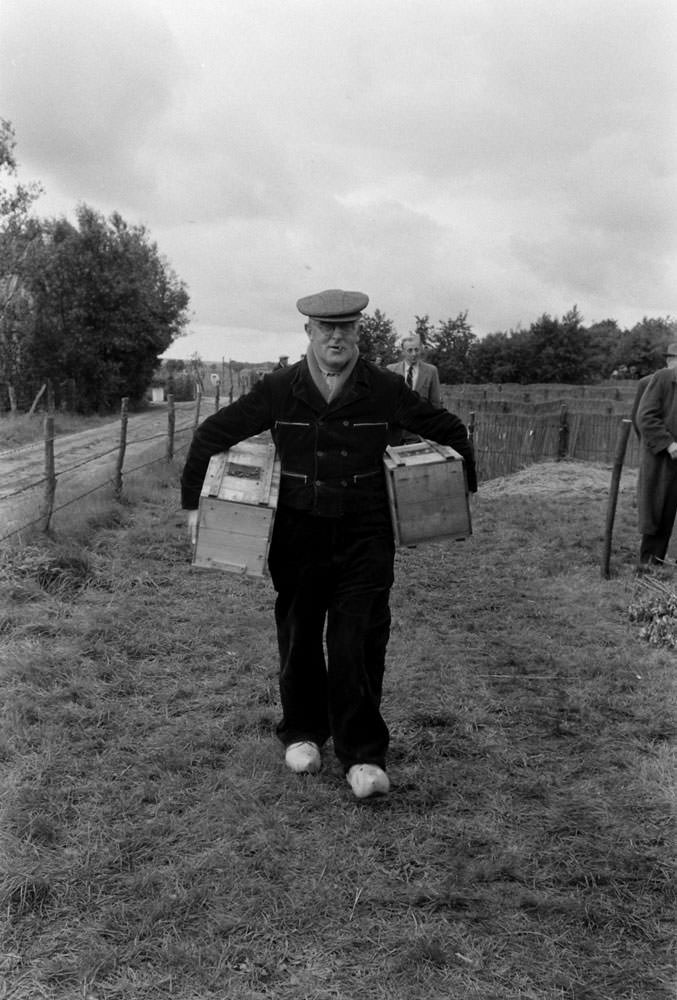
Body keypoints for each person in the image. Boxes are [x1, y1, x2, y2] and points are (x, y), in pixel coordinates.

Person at [180, 289, 477, 799]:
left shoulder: (384, 388)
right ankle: (302, 733)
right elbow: (212, 434)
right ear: (309, 333)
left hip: (365, 536)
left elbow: (449, 430)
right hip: (298, 535)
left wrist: (456, 492)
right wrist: (193, 507)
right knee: (298, 635)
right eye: (325, 328)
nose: (336, 337)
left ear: (359, 332)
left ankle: (362, 756)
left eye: (346, 328)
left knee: (356, 641)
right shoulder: (279, 388)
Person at [635, 342, 677, 568]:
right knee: (658, 514)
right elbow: (645, 417)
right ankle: (650, 569)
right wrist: (668, 445)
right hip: (663, 462)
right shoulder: (662, 379)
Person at [387, 334, 442, 407]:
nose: (414, 354)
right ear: (403, 351)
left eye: (416, 350)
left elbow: (435, 402)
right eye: (410, 350)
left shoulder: (431, 371)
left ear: (420, 350)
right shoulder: (391, 370)